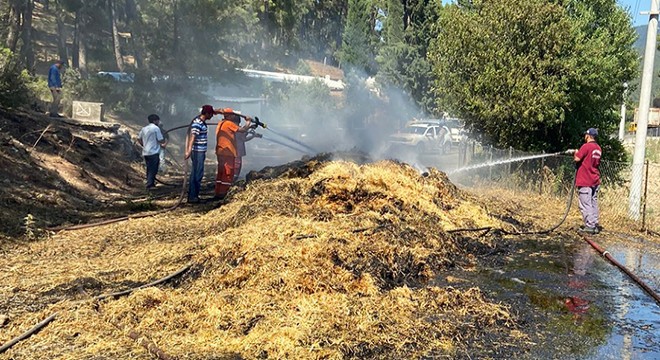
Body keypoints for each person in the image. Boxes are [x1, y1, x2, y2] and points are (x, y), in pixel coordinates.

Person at [568, 128, 602, 234]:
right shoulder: (598, 148)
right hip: (594, 179)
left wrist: (575, 152)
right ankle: (594, 224)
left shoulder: (586, 146)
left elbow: (577, 159)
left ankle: (590, 226)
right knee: (593, 203)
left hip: (585, 180)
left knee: (585, 204)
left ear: (588, 136)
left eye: (585, 135)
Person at [214, 108, 252, 200]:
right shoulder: (229, 123)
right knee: (228, 172)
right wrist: (248, 122)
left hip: (220, 151)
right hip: (228, 152)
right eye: (233, 115)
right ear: (230, 115)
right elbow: (242, 130)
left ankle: (218, 192)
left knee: (221, 171)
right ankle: (224, 193)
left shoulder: (220, 123)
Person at [185, 105, 216, 203]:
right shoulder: (197, 123)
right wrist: (189, 150)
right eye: (211, 114)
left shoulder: (201, 122)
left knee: (196, 173)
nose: (212, 116)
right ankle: (193, 197)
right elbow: (192, 136)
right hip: (197, 151)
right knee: (197, 174)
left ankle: (193, 196)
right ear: (206, 113)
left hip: (200, 151)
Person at [137, 114, 167, 189]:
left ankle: (150, 183)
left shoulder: (144, 128)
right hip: (153, 152)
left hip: (146, 152)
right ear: (155, 121)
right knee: (153, 168)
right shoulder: (156, 128)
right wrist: (163, 142)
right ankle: (150, 184)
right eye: (158, 120)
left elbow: (139, 139)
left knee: (149, 168)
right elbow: (160, 139)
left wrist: (144, 145)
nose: (158, 122)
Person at [233, 112, 262, 182]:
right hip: (237, 151)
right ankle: (232, 181)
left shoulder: (235, 128)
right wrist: (253, 136)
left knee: (236, 167)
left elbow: (244, 132)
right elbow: (244, 138)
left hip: (236, 151)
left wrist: (250, 128)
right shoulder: (236, 129)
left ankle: (232, 180)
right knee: (236, 167)